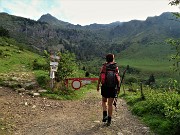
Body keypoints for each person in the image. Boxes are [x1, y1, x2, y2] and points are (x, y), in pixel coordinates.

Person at [97, 53, 120, 126]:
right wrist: (118, 87)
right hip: (113, 87)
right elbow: (117, 78)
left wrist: (98, 85)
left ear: (106, 59)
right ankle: (109, 120)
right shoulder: (115, 67)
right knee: (110, 104)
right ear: (113, 59)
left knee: (104, 101)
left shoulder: (104, 66)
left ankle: (104, 115)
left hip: (105, 86)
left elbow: (100, 76)